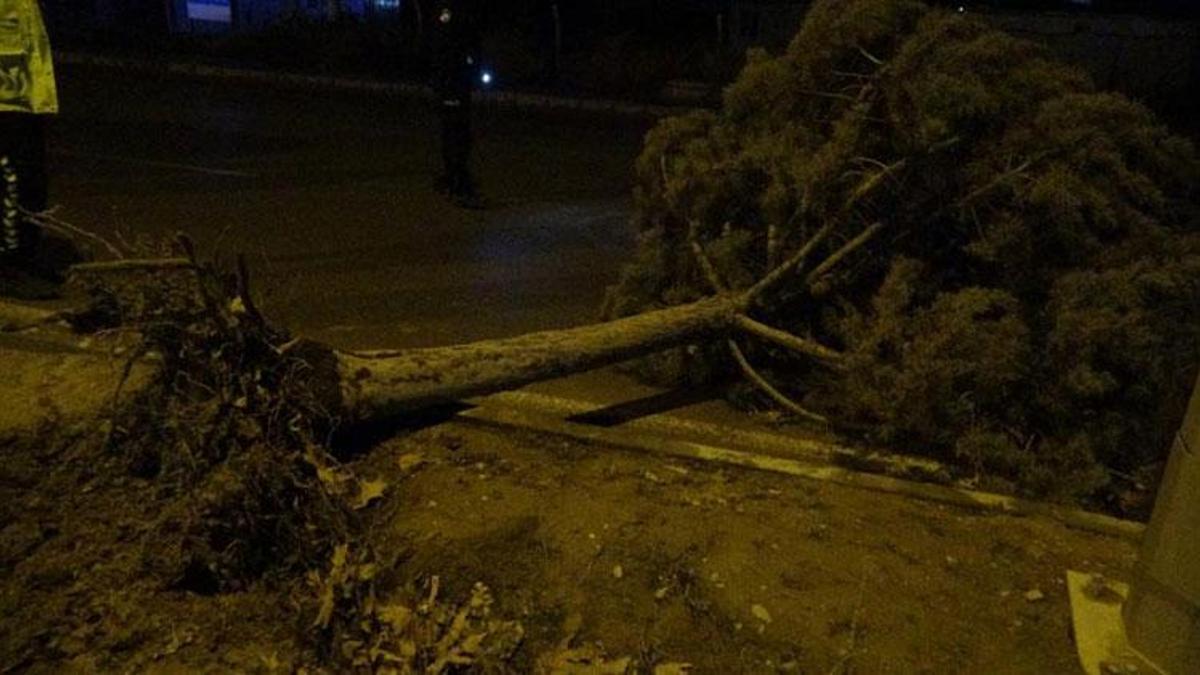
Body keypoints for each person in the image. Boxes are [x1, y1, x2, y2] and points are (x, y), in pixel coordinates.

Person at [1, 0, 59, 296]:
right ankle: (8, 263)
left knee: (28, 171)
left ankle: (22, 255)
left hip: (17, 72)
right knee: (13, 172)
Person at [428, 0, 484, 208]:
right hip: (450, 79)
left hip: (459, 79)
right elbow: (444, 44)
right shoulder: (447, 9)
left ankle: (457, 174)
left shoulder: (463, 9)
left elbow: (470, 40)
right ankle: (455, 178)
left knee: (460, 130)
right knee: (453, 129)